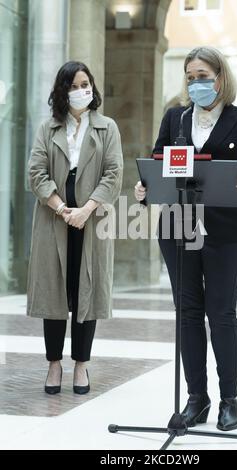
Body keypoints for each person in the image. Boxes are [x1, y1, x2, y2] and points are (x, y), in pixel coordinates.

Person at [135, 46, 237, 431]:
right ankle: (197, 398)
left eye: (204, 76)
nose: (197, 83)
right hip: (178, 227)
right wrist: (145, 188)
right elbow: (157, 163)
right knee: (188, 314)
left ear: (220, 78)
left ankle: (229, 399)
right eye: (191, 77)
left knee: (221, 314)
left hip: (226, 231)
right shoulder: (175, 119)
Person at [27, 61, 123, 395]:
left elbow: (113, 173)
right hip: (54, 218)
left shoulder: (107, 127)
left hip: (91, 219)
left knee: (86, 291)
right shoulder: (47, 128)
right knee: (54, 292)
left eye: (85, 84)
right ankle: (54, 365)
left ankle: (81, 365)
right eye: (72, 85)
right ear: (61, 92)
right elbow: (36, 172)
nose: (80, 90)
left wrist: (86, 209)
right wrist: (61, 207)